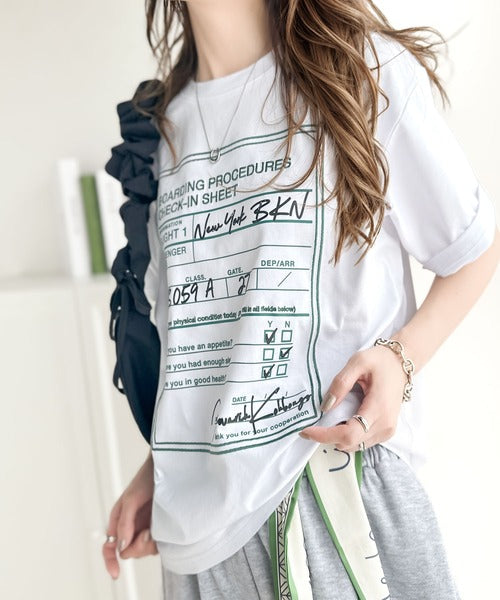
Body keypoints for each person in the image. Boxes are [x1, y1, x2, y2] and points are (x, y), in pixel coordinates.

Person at [102, 1, 500, 598]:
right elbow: (203, 342)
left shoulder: (360, 73)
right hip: (196, 543)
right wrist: (164, 464)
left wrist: (401, 357)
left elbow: (472, 248)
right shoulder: (159, 135)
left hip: (326, 491)